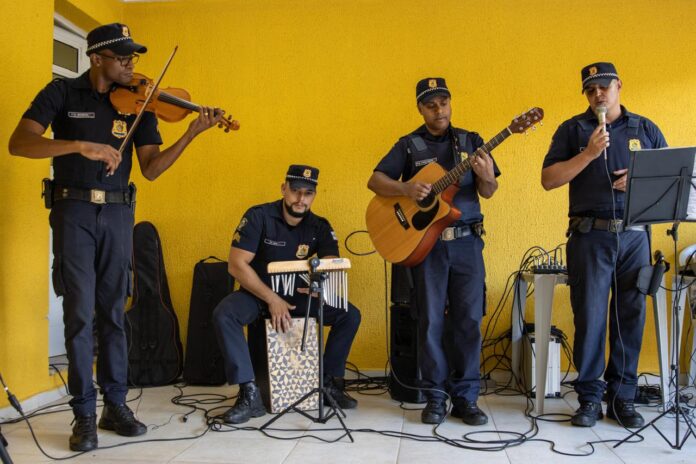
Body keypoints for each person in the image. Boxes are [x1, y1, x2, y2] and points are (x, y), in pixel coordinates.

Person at [8, 23, 223, 451]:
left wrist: (191, 134)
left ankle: (115, 405)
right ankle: (83, 414)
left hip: (119, 213)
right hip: (74, 212)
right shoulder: (62, 93)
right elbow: (20, 142)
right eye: (123, 57)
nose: (131, 66)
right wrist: (77, 146)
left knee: (113, 312)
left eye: (133, 58)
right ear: (97, 58)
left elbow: (152, 167)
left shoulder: (138, 106)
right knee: (79, 314)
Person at [367, 78, 500, 425]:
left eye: (443, 102)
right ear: (420, 109)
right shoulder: (409, 145)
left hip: (468, 243)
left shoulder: (471, 142)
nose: (438, 109)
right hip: (429, 249)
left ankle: (466, 397)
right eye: (430, 104)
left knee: (469, 320)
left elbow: (489, 191)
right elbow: (376, 180)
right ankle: (435, 397)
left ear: (450, 103)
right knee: (430, 322)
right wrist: (407, 187)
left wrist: (487, 176)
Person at [542, 62, 667, 428]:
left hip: (634, 236)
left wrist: (639, 183)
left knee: (630, 315)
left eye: (604, 86)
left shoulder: (644, 129)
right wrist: (588, 154)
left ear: (618, 87)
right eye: (590, 88)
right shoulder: (572, 130)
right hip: (589, 235)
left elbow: (670, 181)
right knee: (591, 317)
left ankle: (623, 398)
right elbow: (549, 180)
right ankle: (589, 399)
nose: (598, 93)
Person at [212, 164, 361, 424]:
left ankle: (327, 384)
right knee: (224, 314)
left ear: (314, 196)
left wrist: (320, 284)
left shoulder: (320, 226)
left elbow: (329, 263)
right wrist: (272, 299)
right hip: (258, 294)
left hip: (298, 296)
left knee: (350, 315)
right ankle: (249, 393)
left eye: (308, 193)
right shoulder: (259, 216)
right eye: (295, 191)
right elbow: (236, 265)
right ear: (284, 189)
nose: (300, 199)